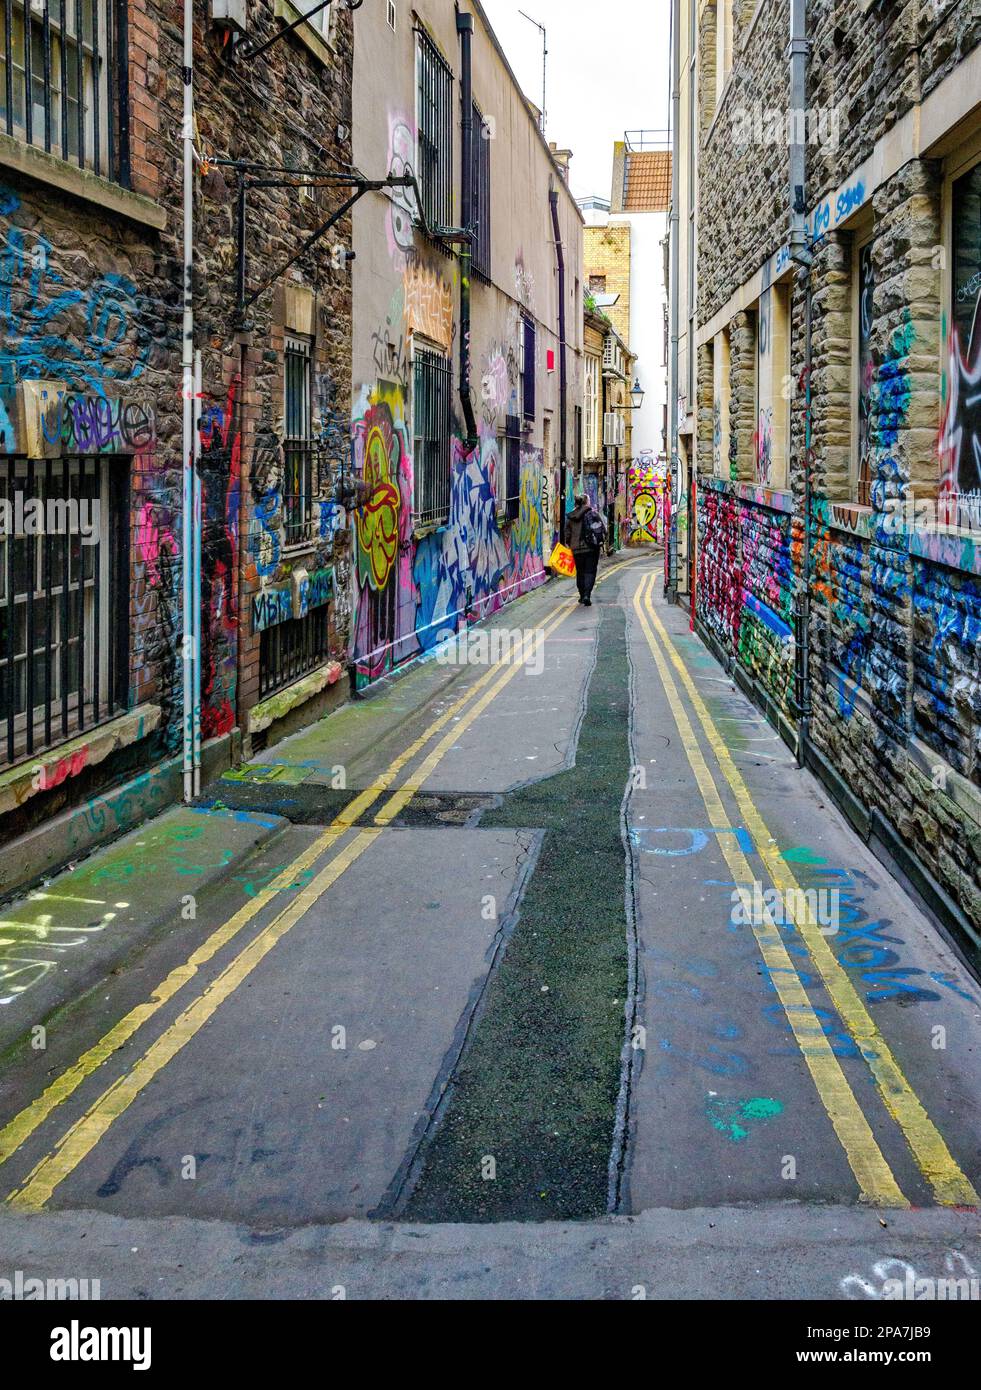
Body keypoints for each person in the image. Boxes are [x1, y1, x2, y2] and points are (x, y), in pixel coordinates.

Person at [566, 493, 606, 605]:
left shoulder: (571, 516)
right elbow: (602, 530)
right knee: (590, 571)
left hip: (576, 549)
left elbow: (567, 534)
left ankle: (581, 594)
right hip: (591, 548)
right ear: (586, 502)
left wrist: (571, 544)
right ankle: (587, 595)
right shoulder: (593, 514)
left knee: (580, 572)